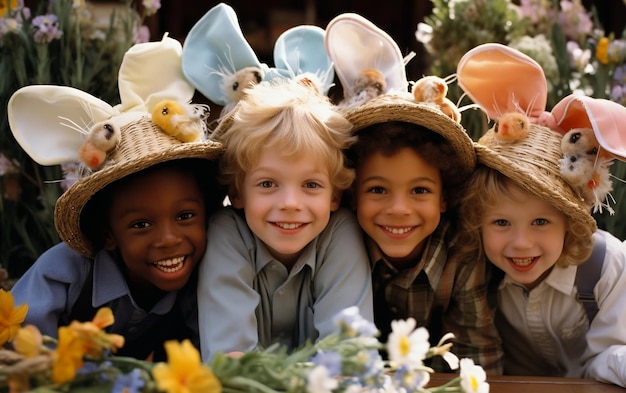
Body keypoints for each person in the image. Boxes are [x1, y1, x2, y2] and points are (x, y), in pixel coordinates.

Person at [9, 36, 225, 361]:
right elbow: (19, 355)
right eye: (140, 224)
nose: (168, 239)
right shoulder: (63, 274)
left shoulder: (199, 284)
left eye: (185, 216)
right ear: (108, 234)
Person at [454, 43, 626, 386]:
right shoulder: (476, 272)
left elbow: (610, 354)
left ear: (570, 221)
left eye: (541, 221)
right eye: (501, 222)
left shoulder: (607, 268)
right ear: (478, 221)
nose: (520, 243)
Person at [197, 79, 374, 361]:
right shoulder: (227, 233)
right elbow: (229, 363)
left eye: (311, 185)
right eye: (267, 184)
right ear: (237, 192)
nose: (290, 204)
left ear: (335, 197)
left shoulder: (340, 232)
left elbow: (349, 358)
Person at [343, 94, 503, 375]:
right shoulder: (339, 244)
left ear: (444, 197)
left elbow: (476, 355)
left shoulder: (462, 252)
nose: (399, 209)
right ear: (353, 194)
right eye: (378, 190)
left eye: (420, 191)